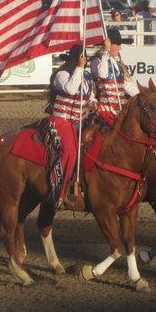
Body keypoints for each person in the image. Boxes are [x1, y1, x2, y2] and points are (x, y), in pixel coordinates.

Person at [45, 44, 94, 208]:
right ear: (73, 60)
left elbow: (90, 97)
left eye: (84, 59)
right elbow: (72, 89)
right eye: (80, 59)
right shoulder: (61, 75)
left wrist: (94, 104)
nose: (83, 62)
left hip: (80, 120)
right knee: (70, 151)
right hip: (61, 121)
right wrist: (79, 68)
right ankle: (60, 190)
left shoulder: (86, 76)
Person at [90, 28, 139, 124]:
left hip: (120, 108)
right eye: (117, 45)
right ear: (109, 45)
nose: (120, 48)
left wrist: (140, 95)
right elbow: (103, 74)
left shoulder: (116, 61)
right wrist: (105, 52)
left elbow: (127, 84)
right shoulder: (97, 60)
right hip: (104, 109)